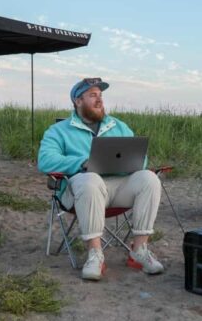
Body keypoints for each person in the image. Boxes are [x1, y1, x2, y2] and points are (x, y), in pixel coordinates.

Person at [37, 77, 164, 281]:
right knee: (91, 180)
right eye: (93, 95)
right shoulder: (59, 131)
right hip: (80, 190)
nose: (99, 100)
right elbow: (45, 160)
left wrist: (132, 162)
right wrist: (82, 162)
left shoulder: (118, 126)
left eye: (100, 95)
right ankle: (95, 255)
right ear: (78, 101)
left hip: (118, 189)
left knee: (149, 178)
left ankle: (139, 250)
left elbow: (142, 158)